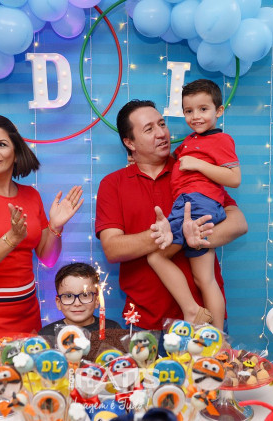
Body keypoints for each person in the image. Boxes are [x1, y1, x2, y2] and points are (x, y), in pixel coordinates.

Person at [0, 114, 83, 378]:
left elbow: (47, 258)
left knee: (26, 384)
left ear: (16, 151)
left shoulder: (31, 196)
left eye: (1, 144)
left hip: (26, 314)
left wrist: (56, 227)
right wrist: (10, 239)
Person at [95, 99, 247, 334]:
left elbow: (238, 223)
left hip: (205, 320)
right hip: (146, 322)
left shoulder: (192, 169)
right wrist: (160, 236)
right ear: (129, 143)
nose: (161, 133)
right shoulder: (112, 184)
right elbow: (113, 249)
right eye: (149, 129)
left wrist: (195, 236)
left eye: (162, 124)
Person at [147, 79, 240, 330]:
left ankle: (198, 317)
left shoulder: (222, 140)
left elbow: (234, 178)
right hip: (186, 204)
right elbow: (173, 161)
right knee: (203, 278)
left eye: (203, 109)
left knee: (157, 257)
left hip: (199, 204)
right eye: (189, 111)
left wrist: (199, 165)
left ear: (219, 111)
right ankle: (213, 333)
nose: (195, 116)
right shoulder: (190, 140)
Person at [39, 262, 122, 336]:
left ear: (97, 300)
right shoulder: (47, 335)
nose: (77, 303)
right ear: (58, 303)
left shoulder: (113, 330)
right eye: (68, 296)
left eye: (85, 295)